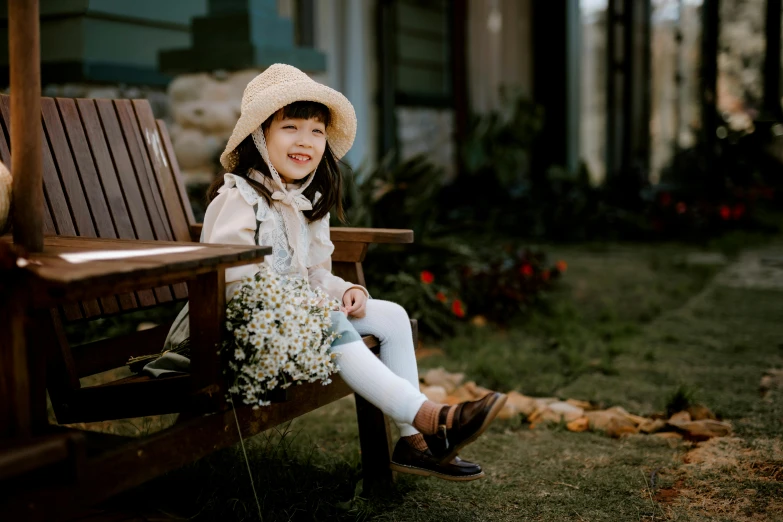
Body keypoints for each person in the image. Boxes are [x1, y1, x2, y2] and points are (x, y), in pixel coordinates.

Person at [147, 64, 507, 482]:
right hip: (223, 333)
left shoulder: (303, 203)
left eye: (317, 131)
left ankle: (414, 444)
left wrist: (343, 288)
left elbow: (314, 271)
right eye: (291, 127)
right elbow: (227, 279)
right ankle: (430, 417)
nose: (305, 141)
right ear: (259, 137)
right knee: (326, 317)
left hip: (292, 321)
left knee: (388, 315)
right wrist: (310, 306)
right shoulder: (239, 198)